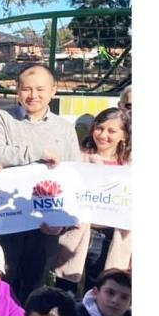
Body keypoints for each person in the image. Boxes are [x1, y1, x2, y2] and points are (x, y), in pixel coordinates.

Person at [0, 64, 81, 304]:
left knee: (35, 287)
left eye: (40, 89)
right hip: (6, 219)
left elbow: (72, 175)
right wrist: (38, 152)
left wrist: (61, 223)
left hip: (45, 224)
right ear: (17, 91)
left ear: (53, 90)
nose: (33, 95)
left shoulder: (65, 128)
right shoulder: (2, 118)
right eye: (26, 89)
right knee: (2, 282)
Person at [52, 107, 132, 295]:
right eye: (99, 128)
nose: (103, 135)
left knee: (100, 288)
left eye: (112, 131)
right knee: (66, 288)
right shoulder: (77, 157)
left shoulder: (131, 166)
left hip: (111, 237)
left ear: (124, 136)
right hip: (79, 231)